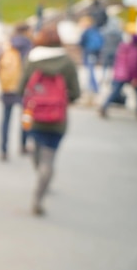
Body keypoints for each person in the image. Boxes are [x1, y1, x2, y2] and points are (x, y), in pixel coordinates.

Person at [18, 25, 80, 216]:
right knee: (49, 157)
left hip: (34, 115)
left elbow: (21, 88)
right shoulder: (67, 61)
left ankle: (40, 173)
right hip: (57, 119)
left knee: (36, 147)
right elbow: (76, 93)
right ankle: (40, 192)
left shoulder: (32, 58)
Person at [0, 23, 33, 160]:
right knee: (25, 116)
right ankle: (23, 144)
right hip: (24, 88)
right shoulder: (29, 46)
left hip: (7, 86)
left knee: (6, 119)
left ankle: (3, 149)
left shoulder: (7, 45)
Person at [99, 30, 137, 119]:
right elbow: (133, 66)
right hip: (127, 75)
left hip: (119, 74)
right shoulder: (134, 51)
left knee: (115, 92)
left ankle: (104, 106)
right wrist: (135, 77)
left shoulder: (123, 47)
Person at [79, 16, 103, 103]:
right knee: (91, 70)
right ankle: (92, 87)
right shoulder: (96, 30)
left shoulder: (87, 31)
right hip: (94, 53)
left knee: (90, 71)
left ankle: (93, 88)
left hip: (88, 52)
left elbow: (81, 42)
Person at [100, 16, 123, 85]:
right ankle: (112, 79)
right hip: (115, 51)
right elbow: (120, 42)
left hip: (106, 50)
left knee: (105, 65)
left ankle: (104, 77)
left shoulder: (105, 31)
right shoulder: (119, 32)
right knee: (113, 66)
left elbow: (102, 41)